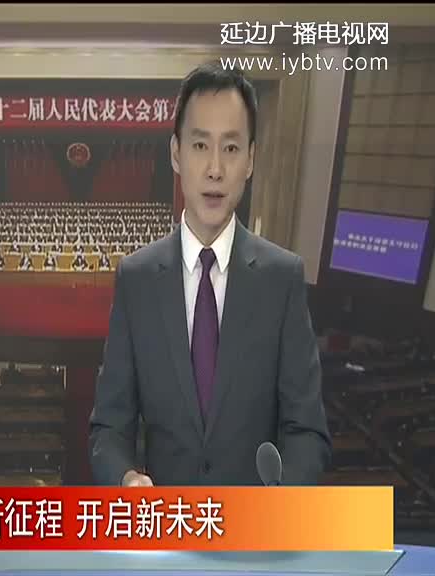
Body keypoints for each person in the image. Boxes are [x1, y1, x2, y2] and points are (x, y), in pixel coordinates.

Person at [89, 63, 331, 488]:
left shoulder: (282, 279)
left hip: (255, 526)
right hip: (168, 521)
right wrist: (125, 479)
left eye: (231, 148)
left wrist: (283, 495)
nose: (215, 169)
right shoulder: (137, 279)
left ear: (251, 159)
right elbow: (108, 429)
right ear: (176, 153)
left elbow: (307, 432)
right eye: (200, 145)